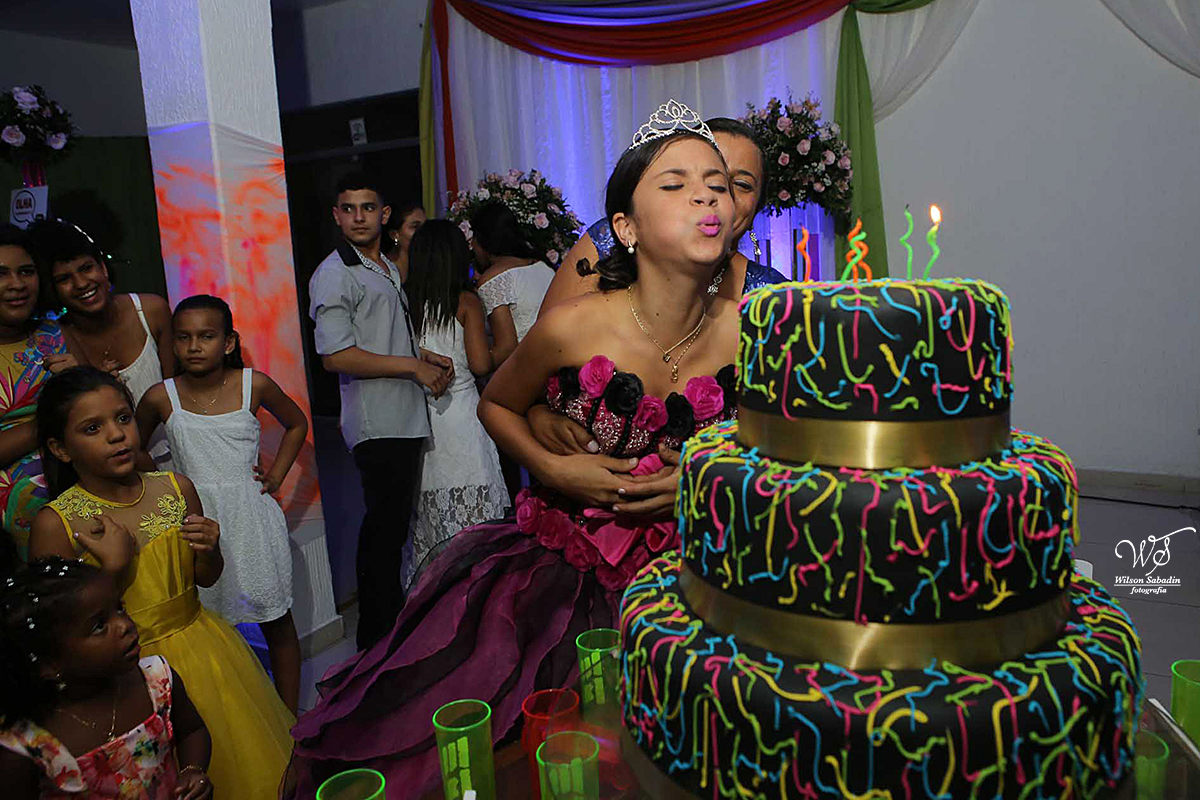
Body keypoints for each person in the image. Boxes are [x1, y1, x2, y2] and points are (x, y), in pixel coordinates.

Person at [286, 102, 742, 797]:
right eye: (675, 183)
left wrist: (700, 475)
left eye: (719, 182)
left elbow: (772, 448)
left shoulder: (754, 330)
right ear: (625, 226)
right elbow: (496, 400)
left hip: (701, 574)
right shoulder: (576, 324)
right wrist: (557, 467)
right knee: (561, 754)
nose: (708, 194)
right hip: (569, 577)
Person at [27, 367, 295, 800]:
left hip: (206, 653)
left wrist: (210, 550)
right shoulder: (56, 523)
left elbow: (203, 579)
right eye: (93, 428)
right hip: (125, 676)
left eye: (123, 418)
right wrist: (111, 570)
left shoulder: (175, 487)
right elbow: (55, 628)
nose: (117, 435)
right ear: (60, 448)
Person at [135, 295, 307, 714]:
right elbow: (133, 450)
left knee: (275, 619)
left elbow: (297, 423)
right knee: (209, 623)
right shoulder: (161, 396)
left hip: (250, 517)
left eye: (206, 336)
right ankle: (231, 715)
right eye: (184, 338)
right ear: (173, 345)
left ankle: (288, 719)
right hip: (195, 522)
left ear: (228, 342)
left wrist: (278, 474)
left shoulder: (255, 384)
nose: (194, 346)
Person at [308, 171, 454, 650]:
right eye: (347, 209)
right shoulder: (334, 273)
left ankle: (390, 630)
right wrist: (412, 367)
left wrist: (422, 355)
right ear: (335, 215)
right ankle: (376, 640)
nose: (357, 217)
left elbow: (383, 336)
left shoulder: (385, 267)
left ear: (383, 214)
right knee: (383, 532)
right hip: (376, 422)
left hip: (403, 415)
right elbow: (336, 356)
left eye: (367, 208)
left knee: (393, 529)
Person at [0, 557, 213, 799]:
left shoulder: (156, 680)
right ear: (49, 663)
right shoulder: (29, 746)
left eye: (120, 608)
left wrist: (193, 770)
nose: (124, 625)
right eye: (99, 625)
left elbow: (192, 731)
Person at [539, 117, 784, 313]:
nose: (716, 195)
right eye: (680, 182)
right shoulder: (609, 238)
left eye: (741, 184)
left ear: (758, 207)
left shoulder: (771, 296)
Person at [400, 220, 507, 589]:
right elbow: (479, 364)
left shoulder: (406, 300)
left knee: (432, 511)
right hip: (463, 416)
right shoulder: (465, 301)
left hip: (425, 417)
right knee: (476, 520)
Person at [27, 219, 176, 471]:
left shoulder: (151, 310)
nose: (81, 283)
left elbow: (179, 398)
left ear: (104, 268)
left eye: (86, 268)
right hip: (112, 470)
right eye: (64, 278)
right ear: (53, 290)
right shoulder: (56, 339)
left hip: (176, 456)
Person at [0, 224, 81, 566]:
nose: (16, 284)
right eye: (1, 274)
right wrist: (51, 422)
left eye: (26, 271)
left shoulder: (56, 332)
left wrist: (81, 381)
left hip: (76, 517)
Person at [472, 202, 555, 368]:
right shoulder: (542, 265)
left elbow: (506, 349)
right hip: (559, 358)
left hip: (529, 370)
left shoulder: (493, 280)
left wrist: (473, 363)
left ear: (483, 240)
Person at [382, 201, 427, 282]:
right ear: (394, 235)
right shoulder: (383, 271)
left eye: (425, 226)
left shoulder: (428, 267)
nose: (423, 232)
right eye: (415, 226)